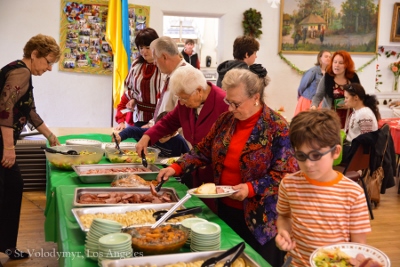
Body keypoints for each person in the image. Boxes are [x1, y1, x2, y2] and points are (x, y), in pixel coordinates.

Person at [154, 65, 299, 267]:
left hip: (261, 219)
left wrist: (250, 188)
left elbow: (286, 175)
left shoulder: (277, 127)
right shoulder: (226, 120)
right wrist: (176, 167)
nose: (230, 109)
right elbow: (203, 150)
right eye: (228, 102)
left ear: (256, 97)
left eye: (236, 104)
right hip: (226, 210)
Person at [275, 109, 371, 266]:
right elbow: (284, 216)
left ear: (336, 152)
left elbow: (358, 246)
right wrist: (283, 232)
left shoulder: (353, 193)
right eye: (301, 156)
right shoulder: (289, 184)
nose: (308, 164)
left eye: (316, 155)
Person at [0, 34, 61, 260]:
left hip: (4, 141)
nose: (49, 68)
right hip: (2, 141)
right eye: (48, 62)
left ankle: (6, 246)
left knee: (14, 187)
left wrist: (50, 135)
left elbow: (29, 111)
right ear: (34, 55)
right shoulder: (21, 71)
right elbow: (4, 108)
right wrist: (8, 147)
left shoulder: (23, 72)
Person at [135, 65, 229, 211]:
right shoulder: (186, 101)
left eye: (184, 98)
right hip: (195, 168)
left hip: (218, 177)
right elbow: (169, 122)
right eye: (179, 98)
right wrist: (147, 136)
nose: (182, 102)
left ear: (198, 91)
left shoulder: (224, 103)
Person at [114, 27, 163, 130]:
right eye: (141, 48)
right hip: (138, 119)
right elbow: (129, 91)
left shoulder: (163, 65)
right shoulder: (136, 64)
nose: (144, 51)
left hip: (160, 119)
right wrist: (121, 119)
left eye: (147, 47)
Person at [311, 50, 361, 128]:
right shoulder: (327, 77)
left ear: (346, 65)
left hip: (349, 117)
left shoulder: (353, 77)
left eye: (340, 63)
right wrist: (314, 106)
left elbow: (359, 97)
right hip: (329, 118)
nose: (336, 65)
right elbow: (318, 95)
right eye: (335, 62)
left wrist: (351, 105)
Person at [113, 111, 189, 158]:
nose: (160, 138)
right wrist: (120, 136)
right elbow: (131, 130)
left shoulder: (179, 141)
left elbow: (189, 156)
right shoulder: (152, 133)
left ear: (173, 133)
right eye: (159, 134)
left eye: (165, 136)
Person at [342, 83, 380, 161]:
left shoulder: (364, 114)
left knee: (328, 153)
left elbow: (367, 142)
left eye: (346, 98)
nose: (344, 101)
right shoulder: (357, 111)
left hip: (356, 153)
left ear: (356, 98)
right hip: (351, 148)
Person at [294, 50, 331, 116]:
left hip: (321, 102)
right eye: (326, 56)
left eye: (330, 57)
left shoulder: (330, 73)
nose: (328, 58)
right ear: (320, 58)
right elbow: (302, 85)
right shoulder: (313, 71)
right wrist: (300, 97)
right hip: (308, 100)